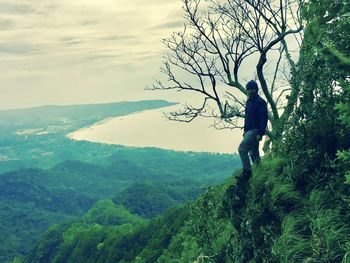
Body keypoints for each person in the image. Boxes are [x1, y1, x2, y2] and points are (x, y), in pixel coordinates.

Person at [236, 80, 268, 184]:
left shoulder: (261, 102)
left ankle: (247, 172)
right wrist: (245, 129)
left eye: (252, 89)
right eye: (248, 89)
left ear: (256, 90)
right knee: (254, 153)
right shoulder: (249, 102)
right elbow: (247, 117)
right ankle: (261, 173)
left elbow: (264, 119)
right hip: (249, 130)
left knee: (242, 149)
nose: (250, 91)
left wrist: (260, 133)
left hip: (255, 130)